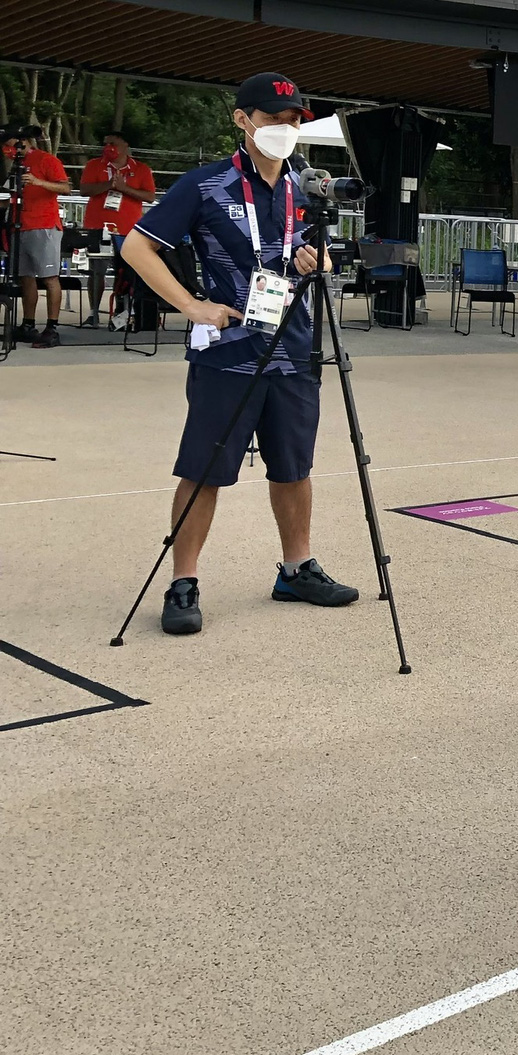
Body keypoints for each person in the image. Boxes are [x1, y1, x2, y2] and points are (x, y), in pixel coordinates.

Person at [119, 72, 359, 638]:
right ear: (243, 120)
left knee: (294, 465)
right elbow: (136, 245)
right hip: (227, 352)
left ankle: (297, 568)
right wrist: (192, 305)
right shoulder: (205, 185)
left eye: (295, 119)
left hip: (295, 349)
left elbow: (327, 259)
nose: (286, 128)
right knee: (205, 468)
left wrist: (317, 263)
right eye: (274, 118)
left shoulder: (308, 189)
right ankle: (184, 580)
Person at [80, 130, 157, 326]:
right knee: (97, 270)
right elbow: (84, 190)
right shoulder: (93, 165)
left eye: (113, 144)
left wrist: (124, 188)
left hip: (127, 228)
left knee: (125, 272)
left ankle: (122, 314)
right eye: (106, 144)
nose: (109, 148)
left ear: (125, 146)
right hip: (98, 226)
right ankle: (93, 312)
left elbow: (149, 196)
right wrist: (108, 184)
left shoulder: (141, 169)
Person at [4, 127, 70, 348]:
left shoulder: (46, 160)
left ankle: (52, 328)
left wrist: (38, 182)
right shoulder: (14, 165)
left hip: (44, 225)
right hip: (20, 225)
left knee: (49, 277)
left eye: (11, 144)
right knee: (26, 276)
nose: (8, 149)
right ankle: (28, 324)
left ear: (23, 142)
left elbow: (65, 188)